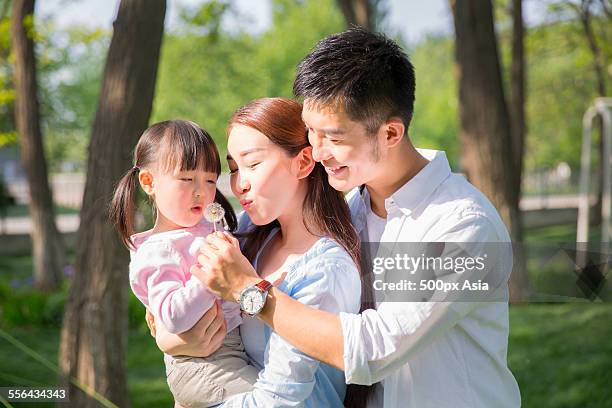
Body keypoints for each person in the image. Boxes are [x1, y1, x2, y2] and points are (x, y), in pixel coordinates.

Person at [192, 28, 522, 407]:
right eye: (311, 133)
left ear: (391, 133)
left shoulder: (462, 224)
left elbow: (372, 349)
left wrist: (248, 292)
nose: (317, 152)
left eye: (333, 138)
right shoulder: (350, 209)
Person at [154, 98, 373, 407]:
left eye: (253, 164)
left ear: (303, 162)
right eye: (232, 168)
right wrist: (172, 340)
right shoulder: (250, 235)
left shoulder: (326, 269)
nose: (239, 183)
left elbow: (282, 399)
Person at [110, 120, 258, 408]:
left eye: (211, 180)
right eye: (187, 179)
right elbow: (172, 316)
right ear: (149, 182)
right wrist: (212, 276)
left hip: (231, 352)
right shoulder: (157, 250)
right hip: (203, 364)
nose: (201, 191)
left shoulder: (209, 229)